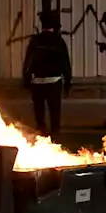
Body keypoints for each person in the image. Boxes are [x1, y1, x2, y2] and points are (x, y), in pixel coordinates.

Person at [22, 10, 72, 138]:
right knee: (55, 110)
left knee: (39, 112)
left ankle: (41, 133)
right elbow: (65, 63)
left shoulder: (35, 41)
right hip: (54, 81)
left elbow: (28, 61)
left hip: (37, 82)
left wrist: (26, 79)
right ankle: (55, 134)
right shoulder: (59, 42)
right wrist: (68, 82)